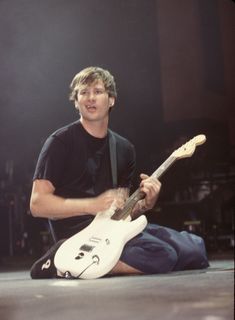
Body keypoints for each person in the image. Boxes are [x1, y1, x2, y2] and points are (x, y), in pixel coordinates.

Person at [30, 66, 209, 279]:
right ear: (76, 101)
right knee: (163, 255)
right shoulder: (59, 143)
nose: (90, 98)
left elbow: (122, 213)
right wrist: (91, 204)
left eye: (97, 91)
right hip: (77, 238)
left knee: (196, 248)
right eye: (83, 92)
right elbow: (37, 204)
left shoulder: (124, 149)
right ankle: (65, 262)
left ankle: (87, 267)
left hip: (112, 232)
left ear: (111, 99)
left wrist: (145, 203)